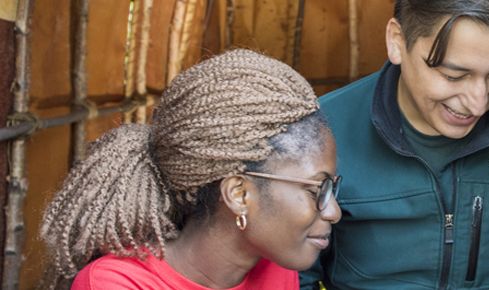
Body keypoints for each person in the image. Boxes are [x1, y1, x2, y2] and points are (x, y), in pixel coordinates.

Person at [299, 0, 489, 289]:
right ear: (397, 41)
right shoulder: (321, 131)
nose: (477, 103)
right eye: (453, 75)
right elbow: (294, 275)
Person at [39, 49, 342, 290]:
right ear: (238, 193)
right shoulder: (115, 284)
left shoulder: (275, 267)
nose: (334, 212)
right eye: (318, 189)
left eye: (334, 187)